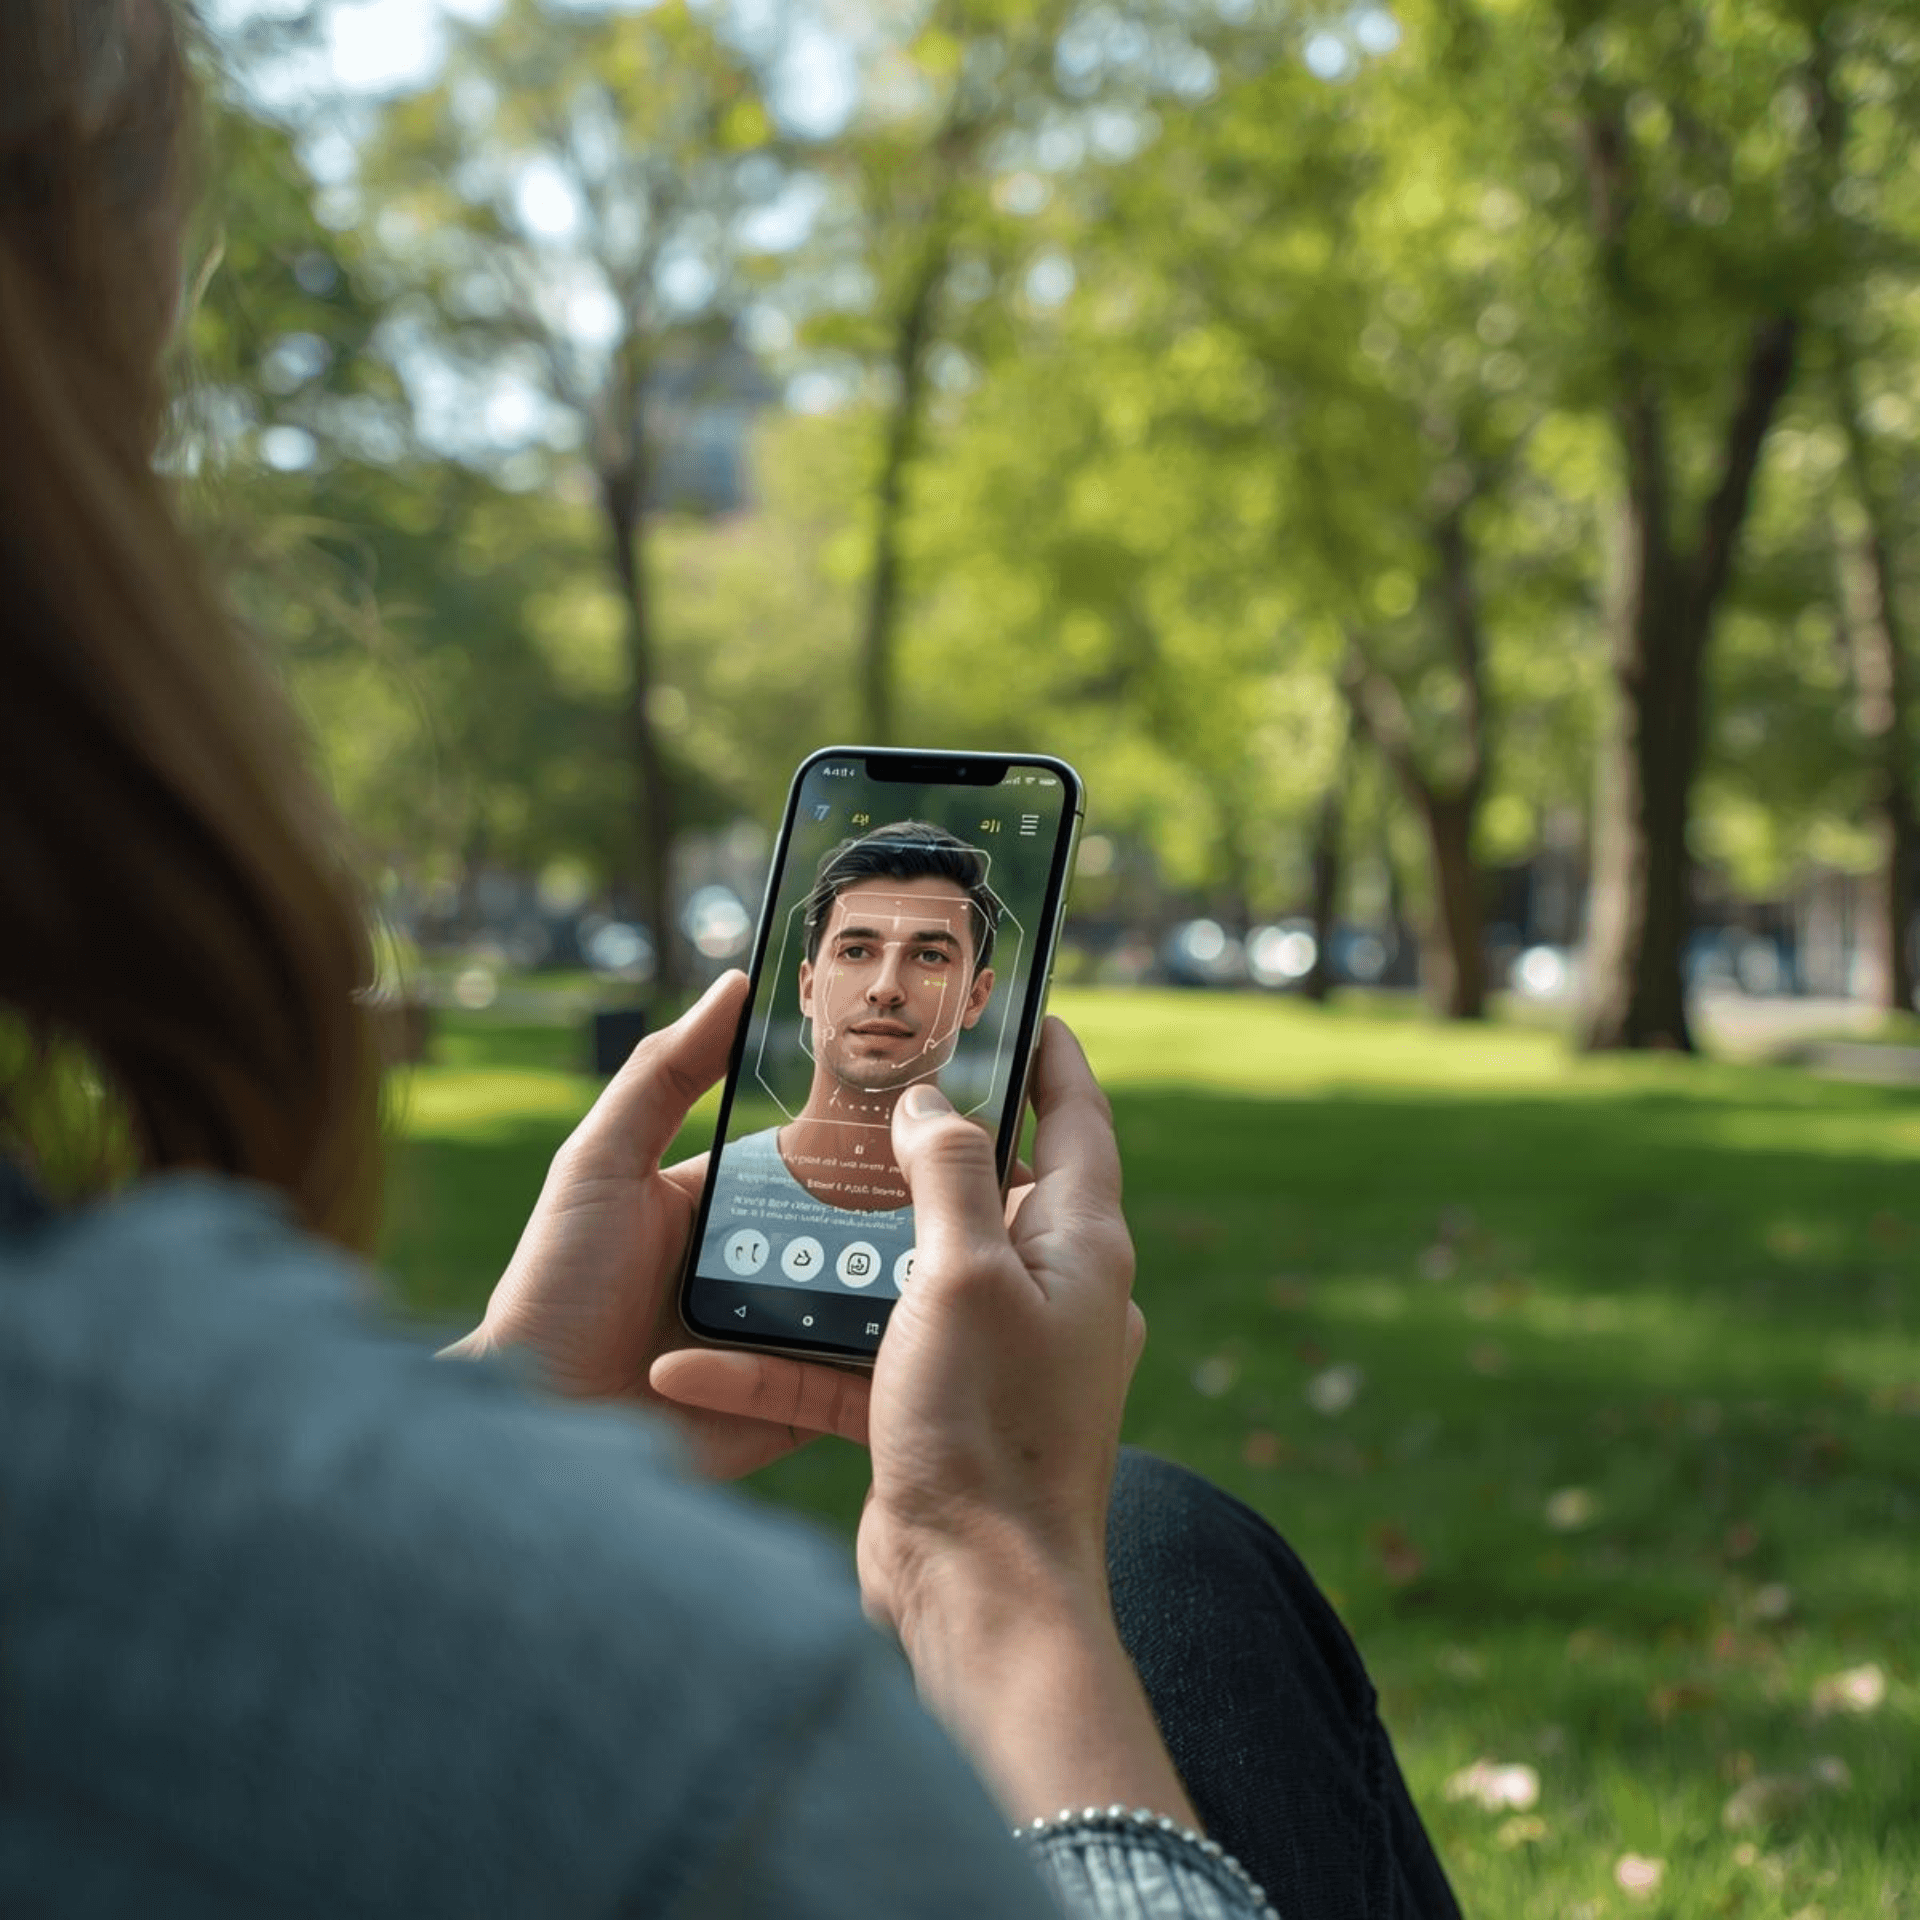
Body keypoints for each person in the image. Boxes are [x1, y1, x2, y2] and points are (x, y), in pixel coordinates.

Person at [0, 5, 1462, 1917]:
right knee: (1154, 1563)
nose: (878, 990)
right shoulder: (706, 1750)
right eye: (845, 942)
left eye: (929, 956)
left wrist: (492, 1426)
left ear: (971, 989)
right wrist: (995, 1582)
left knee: (1173, 1537)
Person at [694, 822, 1000, 1291]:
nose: (885, 989)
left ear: (976, 998)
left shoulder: (1016, 1221)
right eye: (856, 951)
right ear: (809, 986)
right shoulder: (695, 1204)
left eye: (930, 957)